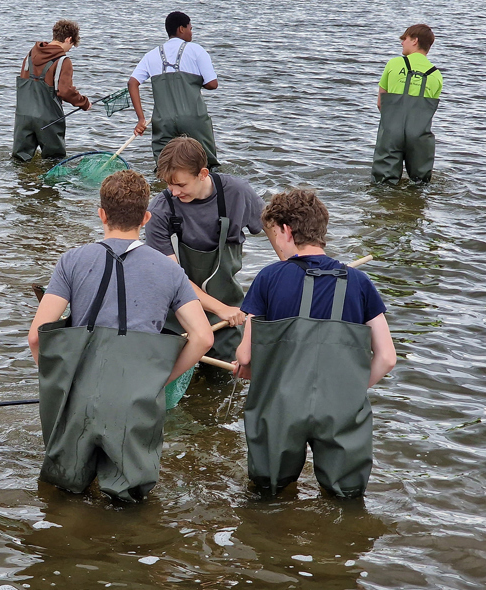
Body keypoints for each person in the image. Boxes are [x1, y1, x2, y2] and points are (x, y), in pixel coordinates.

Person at [28, 169, 213, 501]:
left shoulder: (72, 260)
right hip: (136, 399)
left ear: (101, 213)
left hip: (78, 397)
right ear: (145, 217)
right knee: (128, 504)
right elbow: (202, 338)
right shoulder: (171, 270)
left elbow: (36, 337)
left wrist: (59, 381)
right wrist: (159, 378)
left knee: (64, 495)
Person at [234, 189, 397, 498]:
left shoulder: (269, 277)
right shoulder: (359, 283)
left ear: (286, 230)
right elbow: (387, 357)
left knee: (268, 494)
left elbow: (244, 356)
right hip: (341, 408)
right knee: (346, 499)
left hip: (280, 407)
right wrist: (350, 390)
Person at [144, 137, 264, 362]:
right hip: (174, 315)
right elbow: (174, 278)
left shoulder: (238, 193)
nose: (174, 192)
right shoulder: (159, 212)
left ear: (202, 173)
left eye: (181, 185)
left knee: (225, 379)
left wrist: (298, 267)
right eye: (168, 185)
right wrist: (220, 309)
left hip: (228, 315)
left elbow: (276, 229)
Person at [128, 11, 219, 167]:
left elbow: (132, 83)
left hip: (163, 120)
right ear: (181, 29)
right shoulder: (196, 50)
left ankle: (165, 190)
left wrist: (141, 119)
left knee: (165, 166)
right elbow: (212, 84)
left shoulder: (151, 55)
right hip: (193, 117)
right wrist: (194, 82)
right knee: (204, 164)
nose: (191, 32)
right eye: (190, 28)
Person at [372, 24, 443, 184]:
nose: (402, 42)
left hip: (392, 130)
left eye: (405, 39)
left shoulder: (394, 64)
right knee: (420, 184)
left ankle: (385, 207)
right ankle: (415, 207)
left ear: (415, 40)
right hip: (419, 135)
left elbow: (380, 103)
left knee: (383, 184)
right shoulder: (436, 74)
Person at [12, 19, 91, 162]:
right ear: (68, 39)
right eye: (71, 45)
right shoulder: (63, 60)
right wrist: (84, 103)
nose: (69, 49)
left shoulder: (30, 54)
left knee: (20, 161)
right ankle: (48, 185)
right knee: (54, 161)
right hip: (48, 119)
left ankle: (21, 184)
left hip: (23, 116)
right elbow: (65, 91)